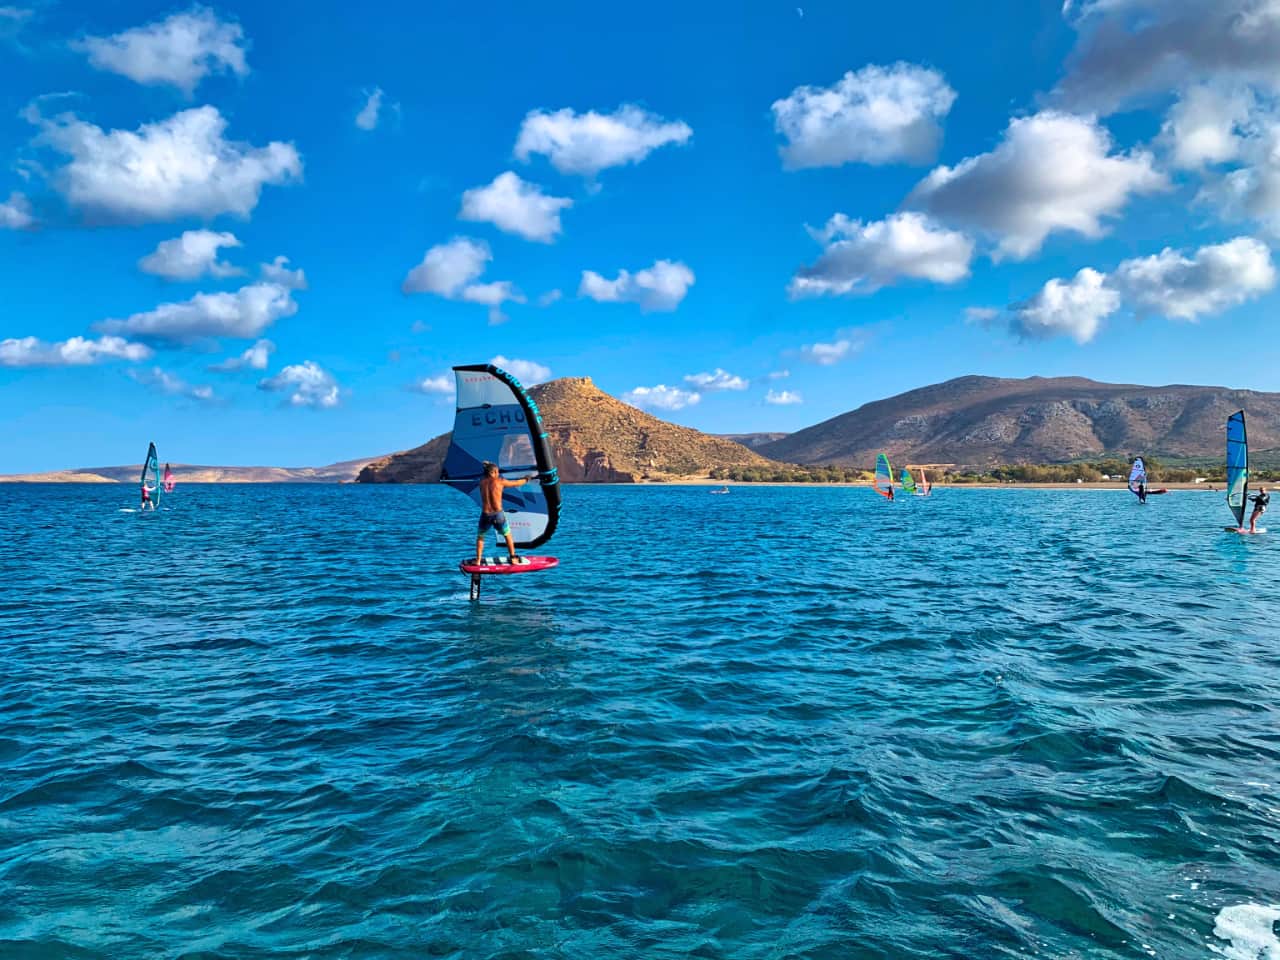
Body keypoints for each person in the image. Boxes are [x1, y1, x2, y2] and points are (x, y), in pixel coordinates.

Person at [476, 461, 530, 565]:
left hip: (485, 515)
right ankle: (513, 558)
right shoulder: (500, 481)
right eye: (497, 472)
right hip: (498, 514)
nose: (498, 473)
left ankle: (478, 560)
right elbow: (516, 483)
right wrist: (526, 479)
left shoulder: (481, 482)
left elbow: (487, 472)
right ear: (494, 472)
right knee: (507, 535)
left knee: (480, 537)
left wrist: (488, 465)